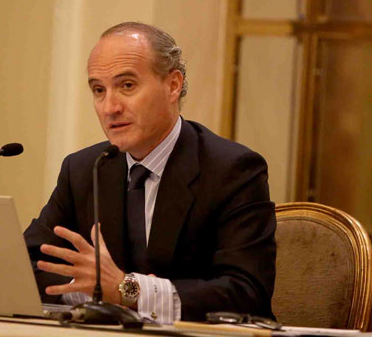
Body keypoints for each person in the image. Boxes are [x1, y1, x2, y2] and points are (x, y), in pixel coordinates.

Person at [24, 22, 276, 323]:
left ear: (173, 85)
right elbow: (26, 264)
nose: (110, 107)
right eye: (98, 90)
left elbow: (246, 292)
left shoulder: (233, 170)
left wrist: (125, 290)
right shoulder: (83, 169)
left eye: (127, 85)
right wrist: (93, 291)